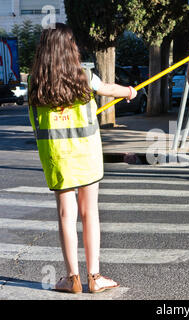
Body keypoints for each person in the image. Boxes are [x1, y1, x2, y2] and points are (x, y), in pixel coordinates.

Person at [28, 23, 137, 294]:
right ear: (70, 48)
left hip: (57, 157)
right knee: (90, 213)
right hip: (87, 154)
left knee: (66, 214)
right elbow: (109, 89)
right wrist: (130, 92)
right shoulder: (85, 76)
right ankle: (95, 276)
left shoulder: (36, 82)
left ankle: (72, 278)